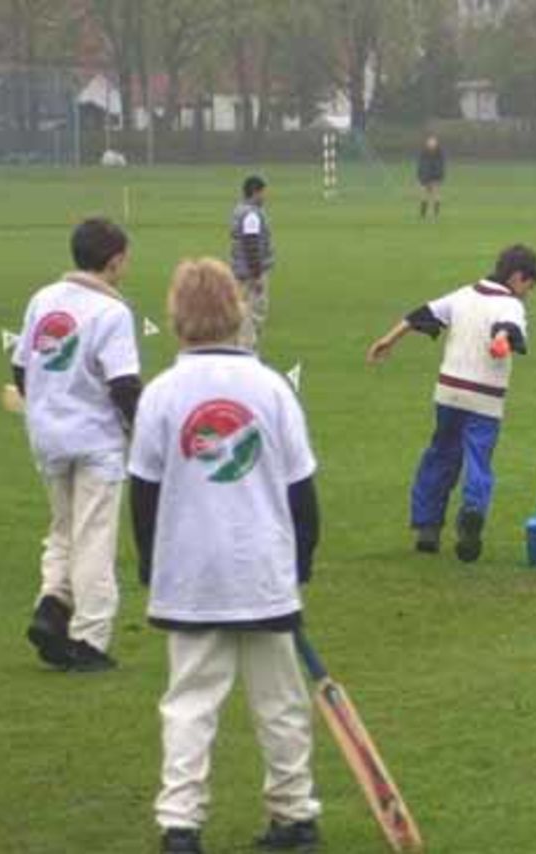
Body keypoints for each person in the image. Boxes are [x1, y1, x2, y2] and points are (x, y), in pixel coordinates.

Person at [128, 259, 323, 854]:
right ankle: (295, 814)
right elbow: (301, 491)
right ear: (236, 312)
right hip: (264, 572)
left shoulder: (161, 393)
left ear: (177, 317)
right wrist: (302, 563)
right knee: (281, 703)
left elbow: (143, 492)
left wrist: (147, 563)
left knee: (190, 703)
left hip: (190, 575)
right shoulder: (272, 389)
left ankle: (180, 826)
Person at [12, 217, 142, 672]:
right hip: (95, 441)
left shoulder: (42, 299)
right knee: (94, 540)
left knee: (63, 529)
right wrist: (142, 434)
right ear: (113, 261)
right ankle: (89, 638)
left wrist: (46, 407)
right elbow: (124, 385)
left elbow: (21, 370)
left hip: (47, 436)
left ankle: (51, 607)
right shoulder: (112, 313)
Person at [366, 245, 536, 562]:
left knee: (440, 454)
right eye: (529, 286)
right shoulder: (510, 304)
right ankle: (471, 514)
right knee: (478, 458)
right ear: (518, 277)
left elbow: (421, 315)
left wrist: (388, 340)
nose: (528, 294)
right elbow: (507, 328)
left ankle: (428, 529)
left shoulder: (463, 294)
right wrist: (501, 340)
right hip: (485, 397)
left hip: (448, 392)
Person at [230, 175, 274, 348]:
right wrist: (256, 276)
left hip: (240, 271)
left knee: (243, 310)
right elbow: (251, 245)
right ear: (255, 192)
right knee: (252, 313)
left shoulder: (239, 210)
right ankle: (246, 349)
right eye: (263, 192)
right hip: (250, 274)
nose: (265, 196)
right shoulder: (251, 216)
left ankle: (240, 346)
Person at [417, 135, 446, 220]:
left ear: (436, 144)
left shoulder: (439, 154)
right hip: (424, 177)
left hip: (435, 177)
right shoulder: (423, 153)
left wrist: (439, 177)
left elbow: (441, 166)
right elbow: (420, 166)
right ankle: (423, 215)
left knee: (435, 196)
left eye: (433, 142)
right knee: (424, 196)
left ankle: (435, 215)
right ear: (427, 144)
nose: (431, 144)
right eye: (430, 142)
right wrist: (419, 176)